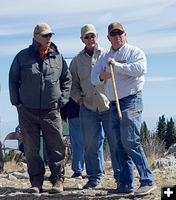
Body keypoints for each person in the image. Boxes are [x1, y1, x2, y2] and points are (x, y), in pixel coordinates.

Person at [91, 22, 157, 197]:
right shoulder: (104, 57)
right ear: (108, 38)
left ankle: (147, 180)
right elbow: (93, 78)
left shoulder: (135, 52)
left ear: (125, 35)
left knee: (130, 141)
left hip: (131, 101)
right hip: (112, 104)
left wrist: (117, 67)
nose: (117, 37)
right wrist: (103, 75)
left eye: (120, 33)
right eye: (113, 34)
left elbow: (140, 69)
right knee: (118, 145)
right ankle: (125, 184)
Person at [9, 22, 72, 194]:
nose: (49, 38)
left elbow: (67, 80)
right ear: (36, 36)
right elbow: (13, 80)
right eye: (45, 35)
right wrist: (17, 103)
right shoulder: (22, 57)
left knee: (57, 146)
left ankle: (57, 181)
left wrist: (62, 100)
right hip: (27, 111)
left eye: (50, 35)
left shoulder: (57, 57)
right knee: (31, 148)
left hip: (51, 110)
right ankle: (36, 183)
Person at [69, 24, 120, 189]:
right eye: (86, 37)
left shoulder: (108, 54)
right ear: (82, 40)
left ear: (97, 36)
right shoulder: (76, 61)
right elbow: (72, 84)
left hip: (108, 105)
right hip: (88, 108)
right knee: (90, 145)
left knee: (114, 142)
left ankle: (120, 177)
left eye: (92, 36)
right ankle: (94, 177)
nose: (90, 39)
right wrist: (79, 99)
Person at [60, 97, 85, 178]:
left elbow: (65, 94)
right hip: (94, 108)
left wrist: (63, 113)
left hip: (73, 110)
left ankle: (78, 170)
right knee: (96, 141)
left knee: (77, 143)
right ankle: (98, 169)